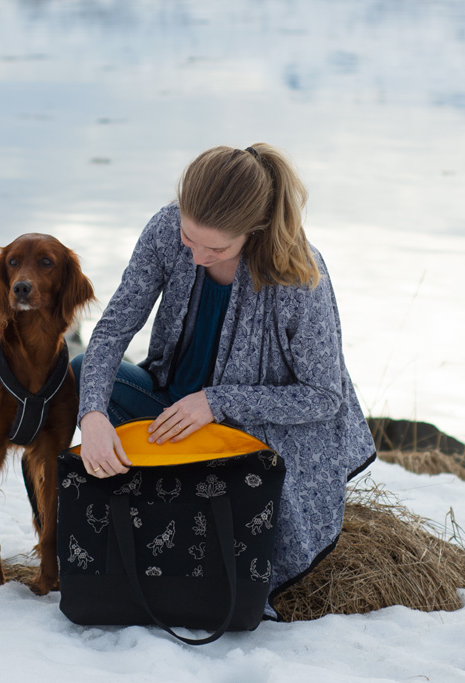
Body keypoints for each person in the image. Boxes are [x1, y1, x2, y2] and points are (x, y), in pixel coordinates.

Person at [71, 143, 376, 616]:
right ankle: (139, 525)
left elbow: (324, 398)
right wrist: (91, 415)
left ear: (253, 231)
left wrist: (217, 402)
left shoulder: (298, 275)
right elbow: (112, 330)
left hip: (250, 437)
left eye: (217, 248)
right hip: (171, 413)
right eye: (191, 239)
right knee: (80, 374)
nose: (197, 256)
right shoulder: (165, 230)